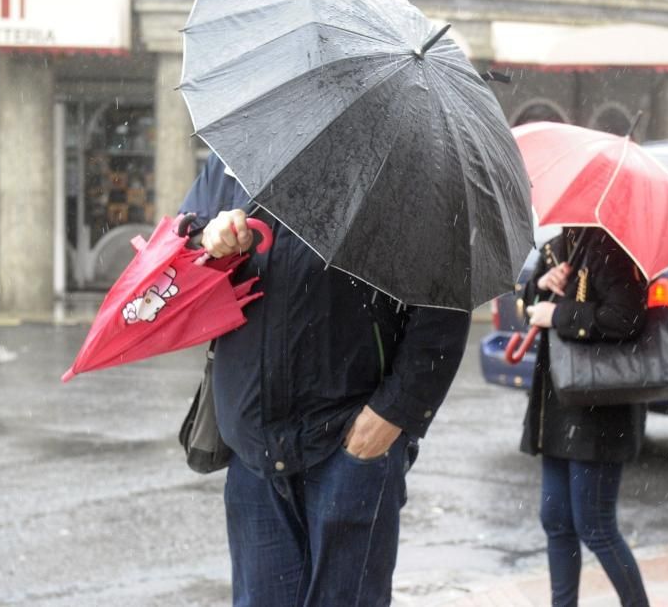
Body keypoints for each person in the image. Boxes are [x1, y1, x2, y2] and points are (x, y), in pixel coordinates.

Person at [180, 153, 471, 607]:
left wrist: (391, 416)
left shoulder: (408, 166)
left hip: (351, 447)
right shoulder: (236, 154)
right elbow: (178, 255)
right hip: (253, 445)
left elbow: (443, 307)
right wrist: (207, 238)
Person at [521, 226, 651, 607]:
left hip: (600, 408)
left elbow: (627, 317)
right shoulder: (557, 248)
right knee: (556, 520)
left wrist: (559, 314)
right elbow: (528, 304)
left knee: (595, 525)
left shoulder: (614, 251)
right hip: (559, 403)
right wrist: (541, 286)